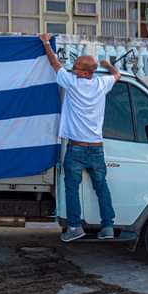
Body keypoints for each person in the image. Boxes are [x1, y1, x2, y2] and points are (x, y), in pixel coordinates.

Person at [40, 33, 121, 242]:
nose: (72, 69)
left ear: (85, 72)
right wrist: (107, 64)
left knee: (71, 188)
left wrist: (45, 42)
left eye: (76, 67)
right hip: (96, 148)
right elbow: (117, 75)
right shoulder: (101, 84)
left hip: (76, 149)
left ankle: (75, 227)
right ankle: (108, 227)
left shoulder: (73, 84)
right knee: (101, 186)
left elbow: (54, 63)